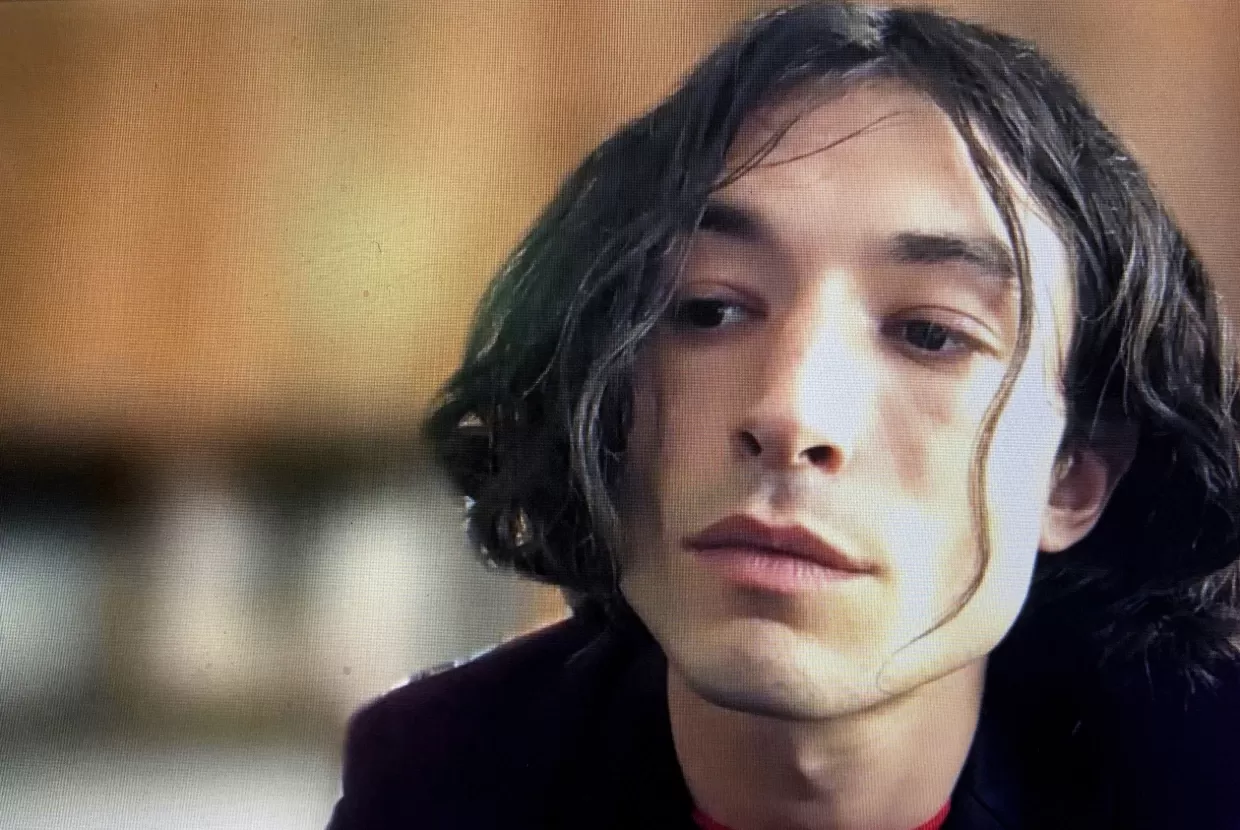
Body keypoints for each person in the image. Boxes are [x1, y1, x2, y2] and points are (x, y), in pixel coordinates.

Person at [325, 3, 1240, 828]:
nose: (790, 412)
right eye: (706, 309)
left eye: (931, 333)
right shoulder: (441, 782)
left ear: (1072, 478)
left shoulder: (1208, 777)